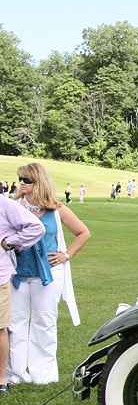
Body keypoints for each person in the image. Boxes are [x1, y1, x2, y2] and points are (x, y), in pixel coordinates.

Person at [8, 162, 90, 386]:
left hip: (49, 274)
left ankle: (43, 375)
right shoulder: (13, 205)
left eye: (27, 180)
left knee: (44, 324)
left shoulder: (56, 208)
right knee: (15, 325)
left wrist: (66, 255)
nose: (21, 183)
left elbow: (83, 232)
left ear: (39, 182)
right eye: (20, 179)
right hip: (18, 274)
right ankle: (15, 375)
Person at [0, 194, 45, 395]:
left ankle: (1, 381)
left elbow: (36, 227)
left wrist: (10, 242)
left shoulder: (4, 203)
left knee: (0, 328)